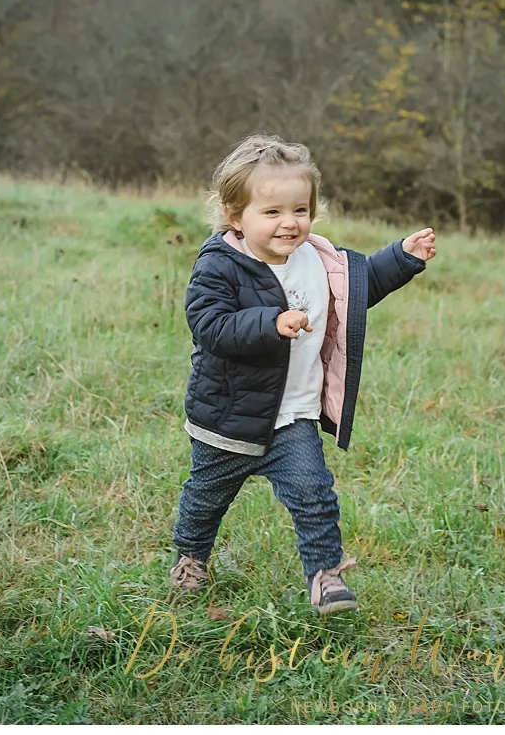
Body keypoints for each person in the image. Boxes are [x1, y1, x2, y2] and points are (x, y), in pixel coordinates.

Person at [169, 134, 437, 615]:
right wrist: (269, 324)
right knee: (206, 498)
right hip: (228, 418)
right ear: (236, 216)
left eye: (299, 209)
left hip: (292, 417)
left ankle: (325, 578)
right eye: (271, 212)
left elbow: (358, 287)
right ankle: (190, 559)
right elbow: (209, 326)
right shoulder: (221, 266)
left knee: (314, 493)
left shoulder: (319, 258)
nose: (289, 223)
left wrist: (401, 258)